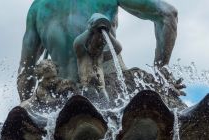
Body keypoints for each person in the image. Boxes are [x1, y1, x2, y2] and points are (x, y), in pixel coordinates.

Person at [17, 0, 181, 101]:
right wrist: (162, 70)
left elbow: (25, 73)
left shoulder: (37, 7)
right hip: (113, 88)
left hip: (62, 97)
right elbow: (168, 14)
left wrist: (30, 111)